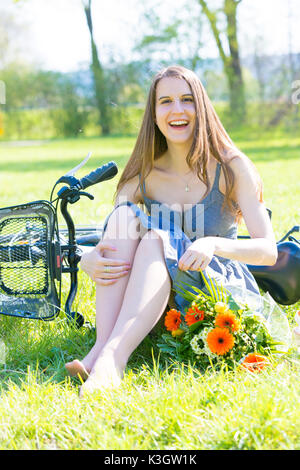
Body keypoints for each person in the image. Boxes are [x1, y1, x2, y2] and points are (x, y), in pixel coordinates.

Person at [65, 65, 278, 396]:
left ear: (201, 107)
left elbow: (268, 250)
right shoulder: (142, 177)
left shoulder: (232, 167)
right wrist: (87, 258)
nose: (177, 110)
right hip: (154, 303)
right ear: (154, 113)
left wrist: (211, 243)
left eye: (186, 99)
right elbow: (114, 237)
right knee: (125, 217)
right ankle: (101, 347)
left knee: (156, 237)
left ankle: (113, 359)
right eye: (165, 101)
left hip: (213, 291)